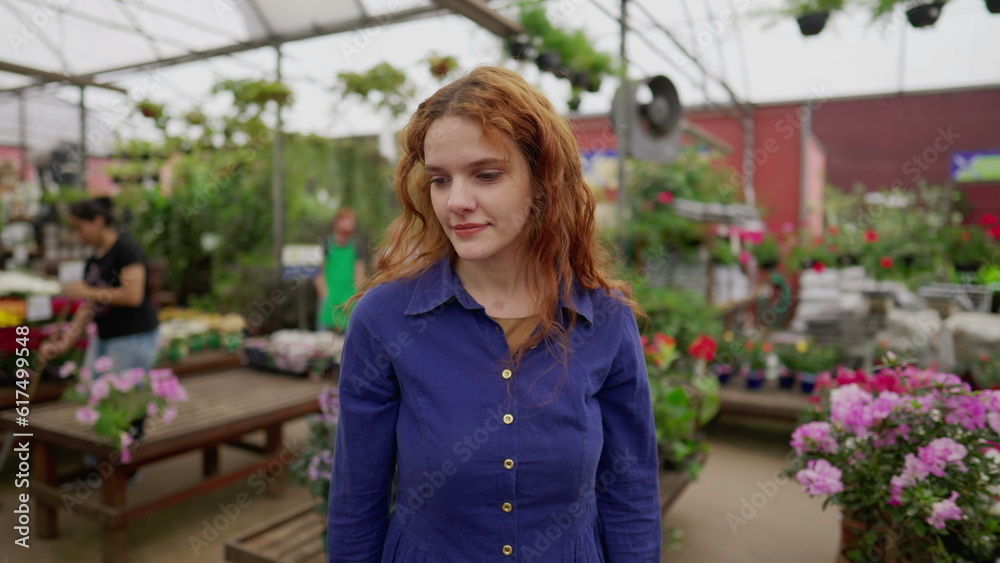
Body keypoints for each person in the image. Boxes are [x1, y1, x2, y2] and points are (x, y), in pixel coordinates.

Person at [327, 66, 661, 561]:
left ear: (543, 180)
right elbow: (357, 500)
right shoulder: (386, 319)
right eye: (441, 179)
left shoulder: (606, 321)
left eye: (486, 175)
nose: (456, 202)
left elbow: (630, 492)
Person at [39, 197, 160, 374]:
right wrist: (63, 344)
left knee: (122, 398)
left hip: (131, 338)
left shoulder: (126, 250)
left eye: (80, 228)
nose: (78, 235)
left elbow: (133, 296)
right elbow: (89, 307)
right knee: (91, 393)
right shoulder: (93, 261)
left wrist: (88, 291)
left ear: (98, 221)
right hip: (104, 338)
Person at [313, 207, 367, 332]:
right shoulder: (325, 243)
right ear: (336, 223)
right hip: (329, 295)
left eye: (352, 221)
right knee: (323, 334)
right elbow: (317, 270)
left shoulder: (356, 244)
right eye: (346, 221)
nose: (350, 225)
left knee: (350, 334)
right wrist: (324, 293)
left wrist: (358, 291)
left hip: (349, 295)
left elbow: (360, 270)